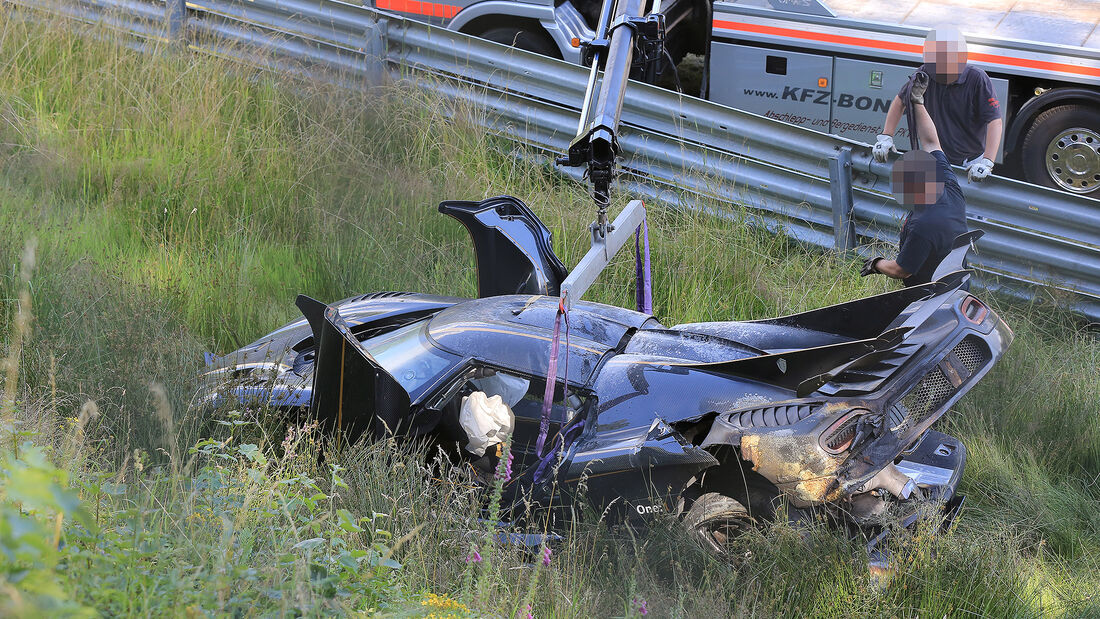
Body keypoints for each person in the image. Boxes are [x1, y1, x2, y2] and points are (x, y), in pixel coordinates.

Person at [862, 71, 968, 287]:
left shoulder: (923, 225)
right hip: (959, 285)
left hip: (932, 299)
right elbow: (931, 142)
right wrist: (917, 102)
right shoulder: (949, 188)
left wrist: (877, 263)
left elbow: (901, 271)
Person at [873, 27, 1003, 183]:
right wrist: (886, 137)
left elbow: (995, 121)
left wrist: (987, 162)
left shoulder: (977, 79)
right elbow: (900, 101)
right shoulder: (925, 75)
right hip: (937, 157)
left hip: (971, 162)